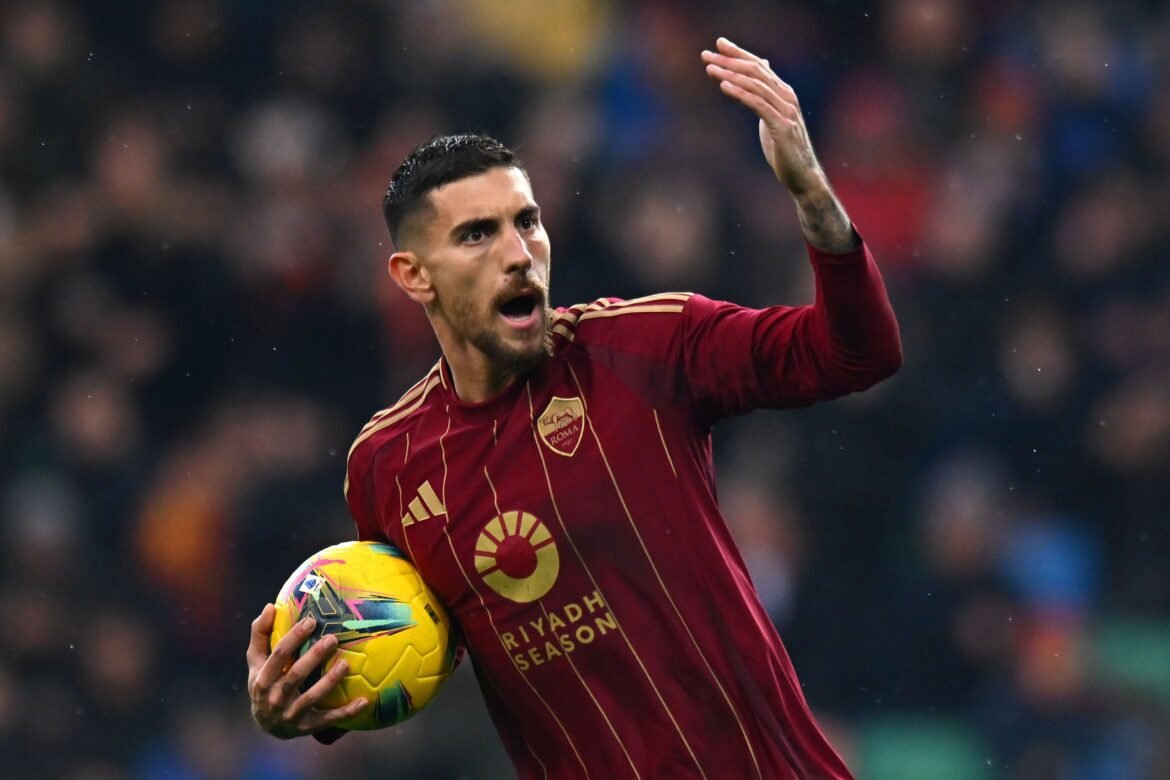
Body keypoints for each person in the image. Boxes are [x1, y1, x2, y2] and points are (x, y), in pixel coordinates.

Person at [247, 37, 901, 778]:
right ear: (414, 275)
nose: (518, 253)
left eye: (527, 221)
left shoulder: (648, 347)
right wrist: (303, 707)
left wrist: (812, 195)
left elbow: (859, 354)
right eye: (477, 235)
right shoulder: (387, 467)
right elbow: (406, 653)